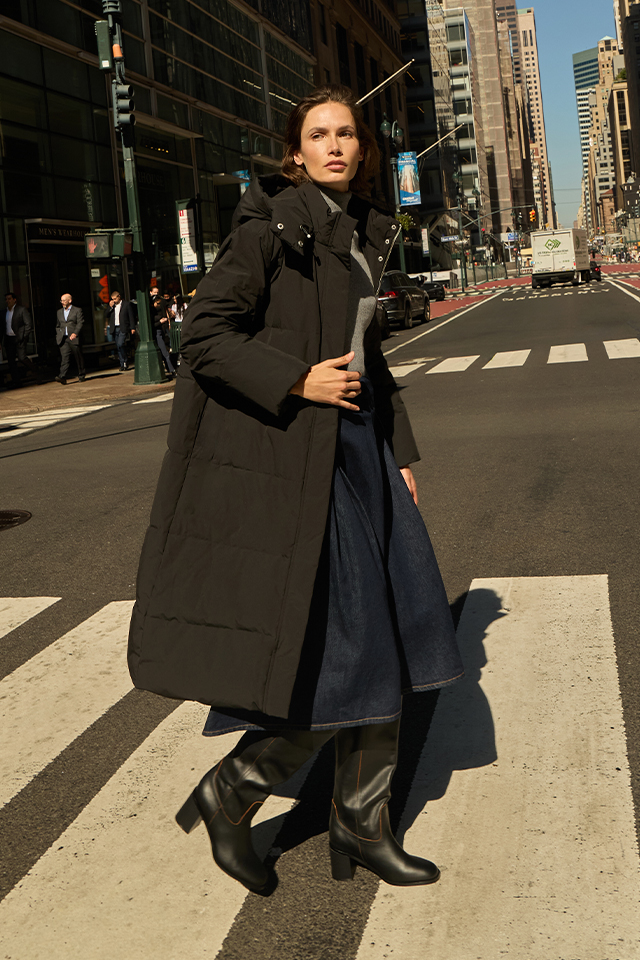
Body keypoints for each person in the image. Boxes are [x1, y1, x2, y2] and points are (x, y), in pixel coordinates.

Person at [128, 85, 463, 896]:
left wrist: (400, 451)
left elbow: (366, 358)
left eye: (347, 133)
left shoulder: (364, 231)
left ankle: (361, 822)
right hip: (301, 455)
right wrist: (296, 382)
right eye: (320, 135)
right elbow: (204, 336)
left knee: (399, 633)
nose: (337, 145)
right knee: (351, 653)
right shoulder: (269, 227)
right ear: (296, 151)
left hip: (362, 454)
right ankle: (230, 792)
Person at [1, 293, 39, 388]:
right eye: (6, 299)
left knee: (22, 358)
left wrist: (24, 336)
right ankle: (17, 382)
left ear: (14, 300)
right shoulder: (4, 312)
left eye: (9, 299)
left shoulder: (21, 310)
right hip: (8, 339)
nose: (7, 301)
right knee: (11, 361)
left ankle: (36, 371)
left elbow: (28, 324)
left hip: (19, 338)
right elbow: (1, 327)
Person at [55, 294, 85, 384]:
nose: (62, 303)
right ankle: (62, 376)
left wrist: (75, 333)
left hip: (73, 337)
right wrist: (58, 334)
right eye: (61, 301)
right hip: (63, 338)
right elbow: (58, 325)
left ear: (69, 301)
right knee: (65, 357)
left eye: (64, 300)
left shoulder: (77, 310)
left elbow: (80, 323)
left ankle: (81, 374)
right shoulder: (59, 312)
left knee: (78, 356)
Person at [105, 291, 136, 371]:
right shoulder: (112, 306)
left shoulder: (126, 304)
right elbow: (106, 315)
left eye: (115, 299)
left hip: (123, 327)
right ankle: (122, 364)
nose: (114, 300)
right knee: (118, 346)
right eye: (112, 299)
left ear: (119, 297)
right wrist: (110, 307)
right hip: (114, 327)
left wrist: (132, 327)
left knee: (120, 343)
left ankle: (125, 360)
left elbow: (131, 316)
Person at [151, 296, 175, 378]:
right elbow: (151, 325)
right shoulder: (151, 312)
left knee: (164, 351)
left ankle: (170, 369)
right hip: (156, 333)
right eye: (157, 303)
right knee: (164, 352)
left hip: (161, 331)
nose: (159, 305)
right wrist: (160, 322)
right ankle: (171, 369)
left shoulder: (159, 310)